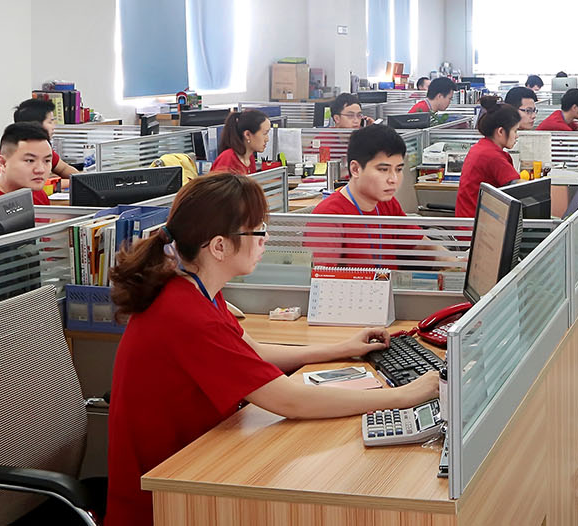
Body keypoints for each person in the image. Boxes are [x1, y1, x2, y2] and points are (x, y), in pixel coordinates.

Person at [106, 173, 439, 525]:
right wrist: (404, 396)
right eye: (258, 231)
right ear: (219, 246)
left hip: (197, 468)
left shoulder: (194, 288)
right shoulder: (187, 314)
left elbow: (253, 354)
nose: (265, 240)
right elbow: (289, 401)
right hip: (166, 502)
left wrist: (343, 348)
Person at [311, 125, 454, 264]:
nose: (393, 179)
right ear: (355, 169)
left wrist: (455, 262)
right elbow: (322, 281)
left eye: (398, 170)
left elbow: (420, 244)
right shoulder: (329, 216)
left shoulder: (387, 203)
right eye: (383, 170)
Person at [455, 97, 523, 217]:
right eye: (515, 131)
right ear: (501, 132)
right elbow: (521, 189)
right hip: (478, 228)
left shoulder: (481, 147)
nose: (516, 136)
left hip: (470, 222)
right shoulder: (492, 156)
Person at [0, 98, 78, 183]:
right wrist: (74, 182)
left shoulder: (42, 150)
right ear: (35, 125)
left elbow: (64, 169)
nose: (53, 127)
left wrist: (82, 179)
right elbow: (38, 184)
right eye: (50, 122)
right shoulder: (15, 153)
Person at [0, 123, 54, 205]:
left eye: (47, 161)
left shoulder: (38, 195)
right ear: (3, 163)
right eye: (30, 161)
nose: (40, 170)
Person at [210, 109, 272, 175]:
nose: (267, 139)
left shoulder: (250, 158)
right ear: (247, 135)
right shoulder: (227, 158)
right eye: (265, 133)